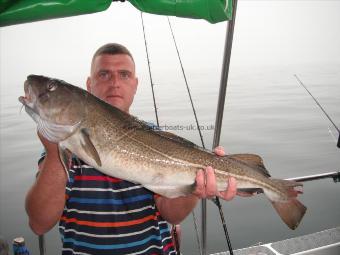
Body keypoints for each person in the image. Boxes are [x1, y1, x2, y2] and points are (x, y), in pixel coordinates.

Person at [25, 43, 239, 255]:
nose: (115, 83)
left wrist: (195, 190)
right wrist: (54, 154)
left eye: (124, 75)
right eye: (104, 74)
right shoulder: (60, 149)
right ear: (89, 85)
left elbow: (172, 215)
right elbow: (39, 224)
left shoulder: (156, 136)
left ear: (135, 85)